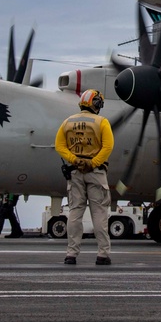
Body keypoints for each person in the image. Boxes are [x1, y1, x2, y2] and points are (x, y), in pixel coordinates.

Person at [55, 89, 114, 266]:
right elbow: (108, 147)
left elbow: (59, 146)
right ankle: (102, 255)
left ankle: (71, 255)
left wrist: (74, 159)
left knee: (75, 213)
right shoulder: (102, 122)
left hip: (75, 172)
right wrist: (93, 163)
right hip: (95, 173)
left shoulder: (68, 122)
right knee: (99, 213)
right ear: (95, 104)